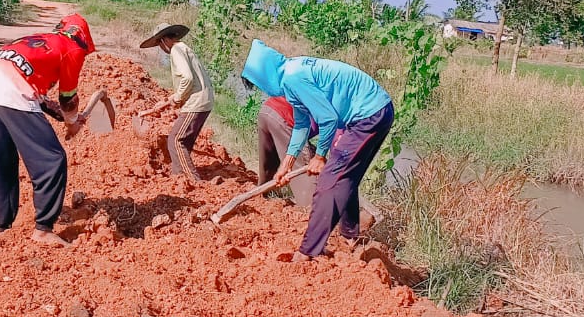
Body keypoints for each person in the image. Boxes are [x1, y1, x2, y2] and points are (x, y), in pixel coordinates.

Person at [242, 40, 393, 260]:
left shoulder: (294, 77)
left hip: (369, 114)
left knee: (329, 179)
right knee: (345, 176)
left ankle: (309, 251)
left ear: (264, 75)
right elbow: (302, 123)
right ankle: (350, 234)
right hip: (373, 110)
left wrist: (320, 156)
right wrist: (287, 163)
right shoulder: (290, 74)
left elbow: (328, 118)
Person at [0, 13, 96, 247]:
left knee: (1, 160)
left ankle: (4, 226)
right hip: (14, 93)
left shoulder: (38, 41)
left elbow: (41, 97)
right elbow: (68, 96)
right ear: (83, 37)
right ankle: (43, 229)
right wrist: (72, 119)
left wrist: (64, 118)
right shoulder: (73, 48)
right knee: (52, 160)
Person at [135, 23, 215, 181]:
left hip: (196, 102)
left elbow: (187, 78)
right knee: (184, 142)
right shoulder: (184, 48)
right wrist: (170, 100)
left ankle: (192, 181)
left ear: (164, 40)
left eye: (159, 43)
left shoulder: (176, 50)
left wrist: (178, 98)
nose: (161, 48)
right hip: (204, 100)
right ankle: (178, 177)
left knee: (176, 140)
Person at [257, 95, 318, 205]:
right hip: (286, 118)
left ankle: (265, 201)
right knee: (308, 174)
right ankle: (311, 210)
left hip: (267, 110)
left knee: (269, 169)